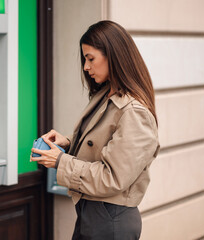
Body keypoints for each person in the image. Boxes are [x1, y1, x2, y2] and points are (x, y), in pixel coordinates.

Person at [31, 20, 160, 240]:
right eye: (84, 59)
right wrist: (69, 143)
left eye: (91, 59)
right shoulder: (106, 95)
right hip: (93, 212)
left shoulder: (135, 112)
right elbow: (107, 145)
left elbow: (112, 178)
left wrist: (60, 162)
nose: (85, 67)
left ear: (114, 55)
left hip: (111, 221)